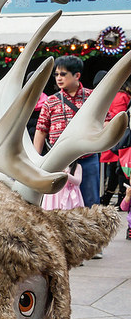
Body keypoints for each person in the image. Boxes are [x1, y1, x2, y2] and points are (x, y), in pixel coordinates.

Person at [34, 55, 101, 209]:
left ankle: (90, 234)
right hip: (58, 161)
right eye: (56, 74)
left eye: (63, 74)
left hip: (87, 158)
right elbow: (41, 130)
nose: (58, 78)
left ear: (77, 75)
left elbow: (107, 122)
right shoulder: (51, 101)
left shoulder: (92, 97)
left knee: (90, 203)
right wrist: (36, 161)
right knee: (57, 206)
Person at [99, 75, 131, 207]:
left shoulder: (113, 96)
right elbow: (118, 118)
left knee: (117, 170)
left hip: (114, 140)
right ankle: (119, 200)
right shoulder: (121, 97)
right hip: (120, 140)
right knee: (120, 170)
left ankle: (111, 198)